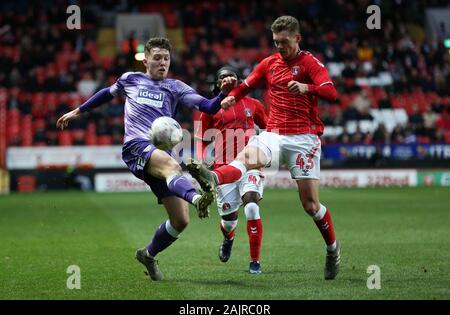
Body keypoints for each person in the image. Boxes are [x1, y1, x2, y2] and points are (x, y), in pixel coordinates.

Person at [56, 37, 236, 281]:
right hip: (136, 146)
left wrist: (220, 93)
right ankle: (199, 198)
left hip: (161, 154)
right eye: (158, 58)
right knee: (173, 166)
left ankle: (148, 254)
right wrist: (78, 111)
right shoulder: (131, 79)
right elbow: (106, 94)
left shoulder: (176, 87)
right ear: (147, 60)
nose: (162, 63)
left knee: (180, 221)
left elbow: (207, 106)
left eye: (166, 59)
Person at [187, 16, 341, 280]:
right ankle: (213, 176)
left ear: (297, 38)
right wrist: (230, 98)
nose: (279, 46)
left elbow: (331, 92)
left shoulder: (309, 63)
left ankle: (332, 250)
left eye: (284, 42)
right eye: (275, 42)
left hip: (304, 138)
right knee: (248, 157)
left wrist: (307, 87)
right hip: (275, 132)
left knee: (311, 205)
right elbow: (246, 85)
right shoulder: (269, 64)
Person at [195, 66, 268, 274]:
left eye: (232, 76)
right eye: (223, 77)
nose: (228, 79)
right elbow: (201, 138)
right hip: (223, 168)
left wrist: (267, 149)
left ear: (239, 80)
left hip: (250, 164)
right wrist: (201, 162)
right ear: (218, 84)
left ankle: (255, 262)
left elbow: (269, 128)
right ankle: (229, 238)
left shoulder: (254, 105)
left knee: (252, 207)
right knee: (229, 221)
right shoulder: (210, 109)